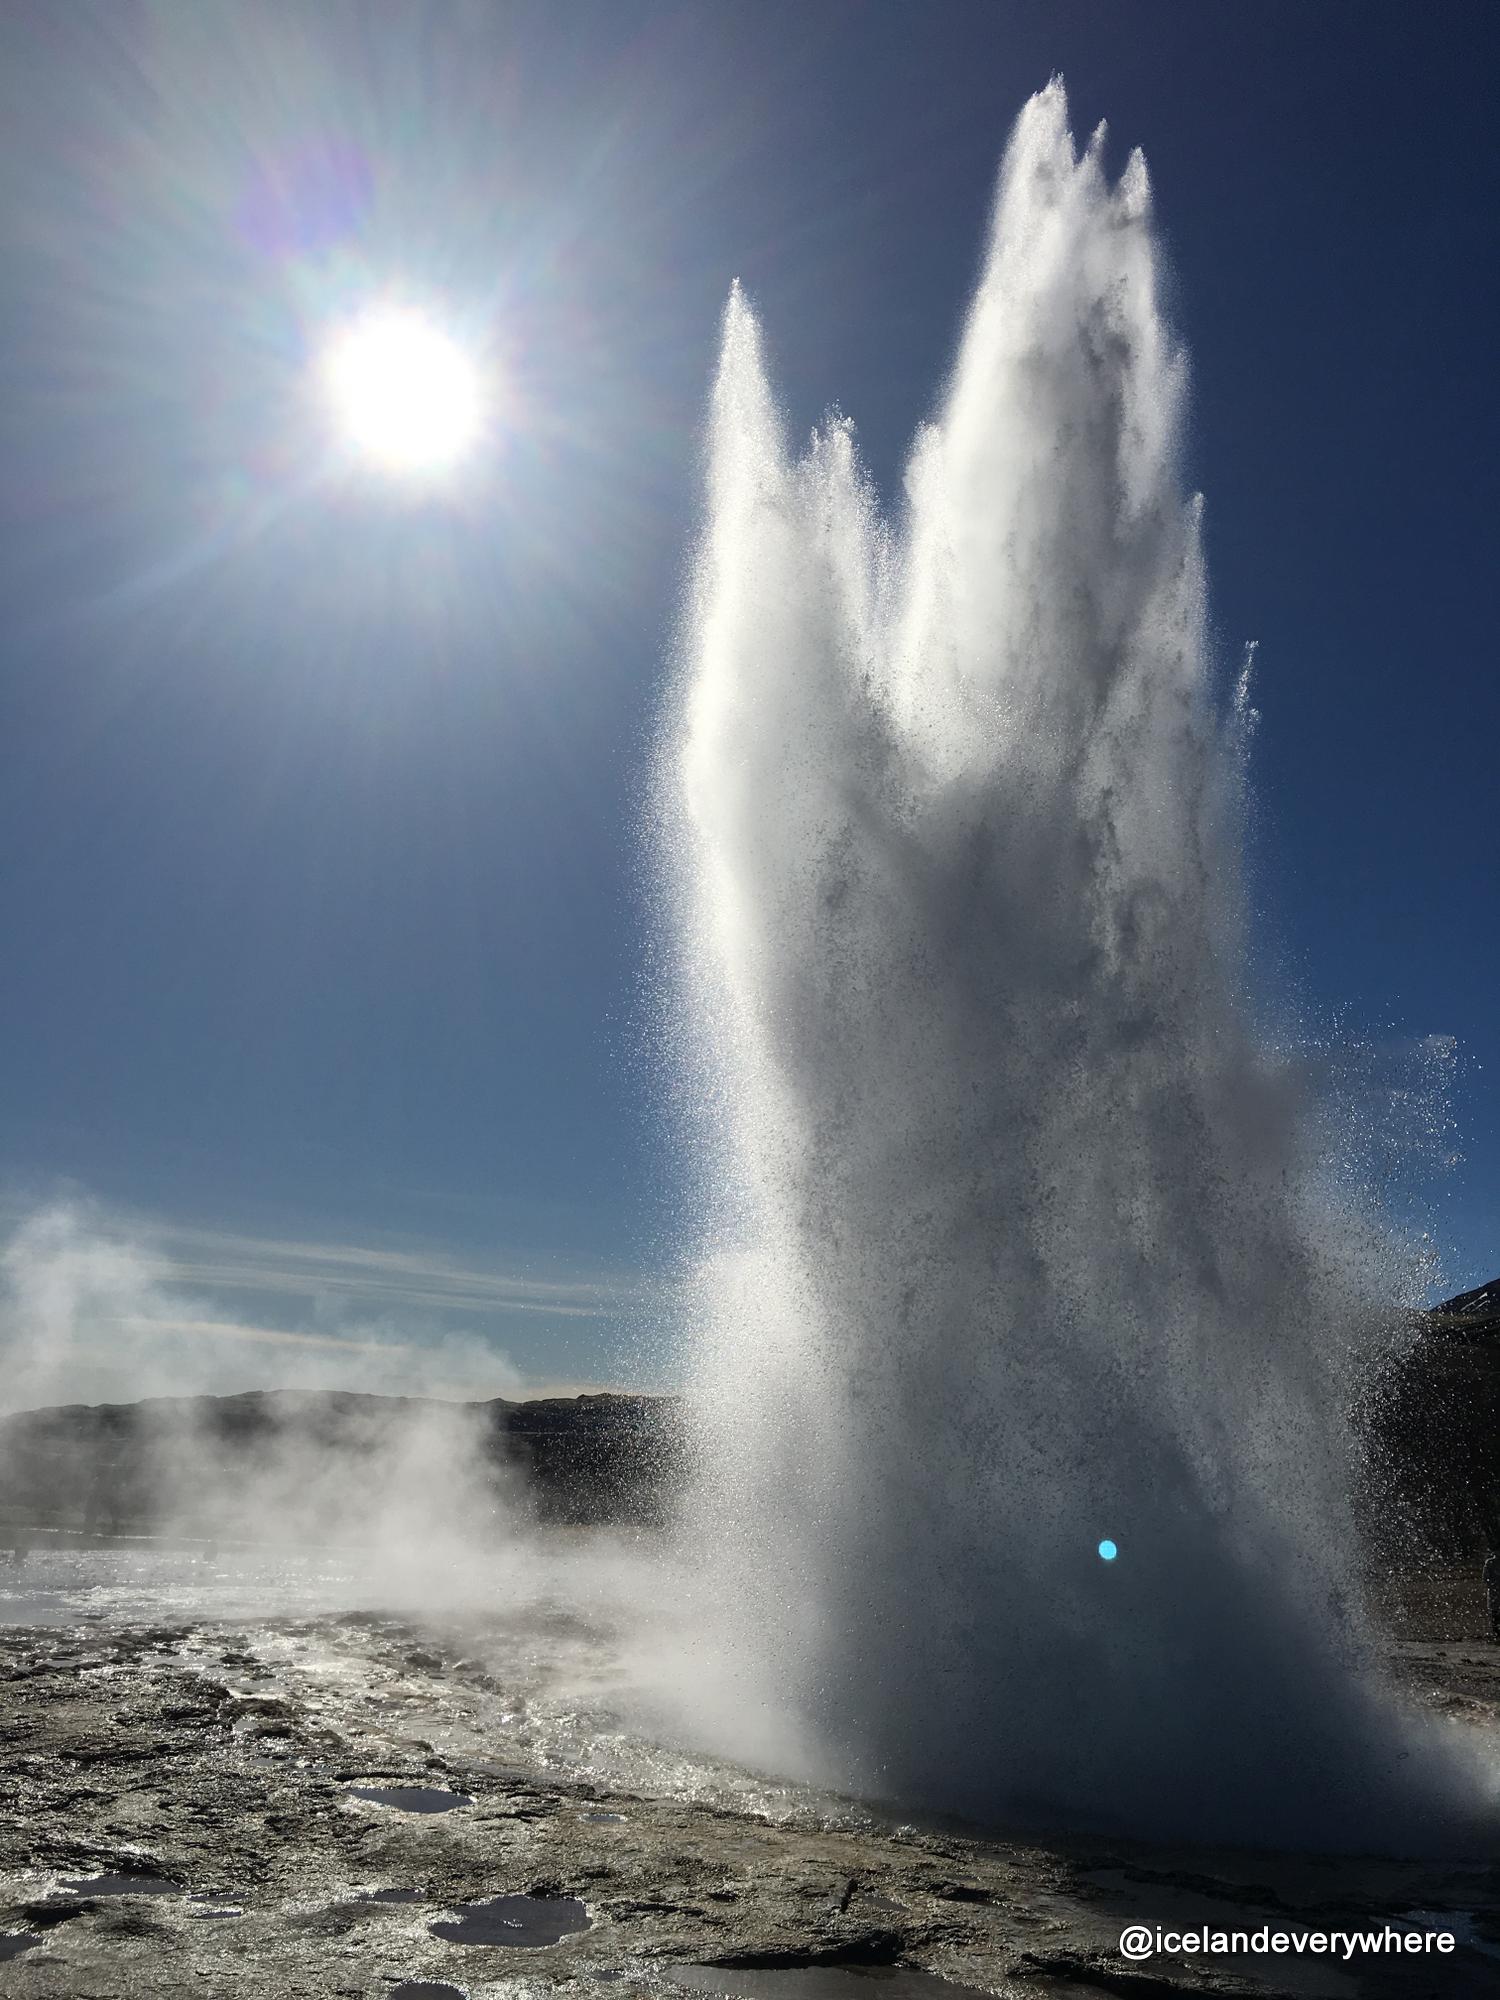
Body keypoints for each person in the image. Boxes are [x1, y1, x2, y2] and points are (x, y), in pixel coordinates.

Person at [1484, 1550, 1500, 1641]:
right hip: (1494, 1590)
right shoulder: (1490, 1562)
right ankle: (1496, 1631)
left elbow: (1485, 1578)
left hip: (1494, 1590)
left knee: (1494, 1611)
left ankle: (1496, 1631)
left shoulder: (1489, 1562)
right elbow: (1485, 1578)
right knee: (1494, 1611)